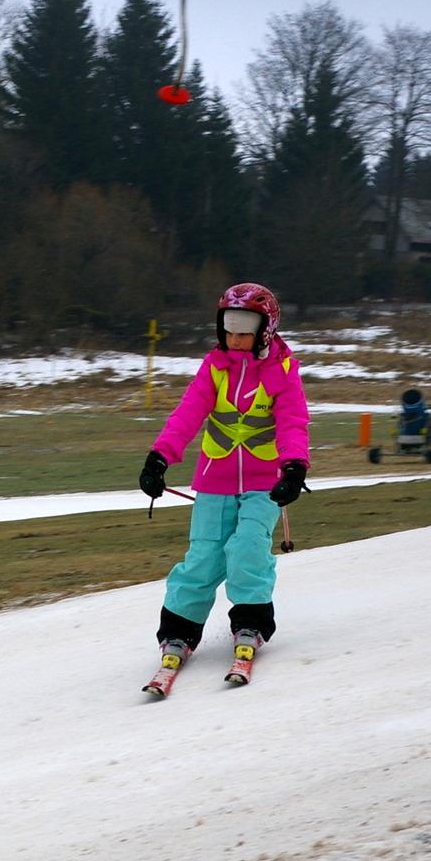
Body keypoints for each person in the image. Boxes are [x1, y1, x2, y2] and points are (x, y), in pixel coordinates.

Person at [137, 283, 310, 691]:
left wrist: (294, 469)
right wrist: (159, 457)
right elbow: (187, 414)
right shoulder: (214, 367)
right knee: (204, 556)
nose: (234, 337)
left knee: (248, 546)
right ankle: (179, 631)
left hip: (266, 480)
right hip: (215, 478)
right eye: (228, 327)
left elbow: (292, 423)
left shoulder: (283, 373)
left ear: (265, 330)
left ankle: (250, 624)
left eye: (244, 328)